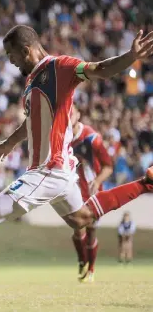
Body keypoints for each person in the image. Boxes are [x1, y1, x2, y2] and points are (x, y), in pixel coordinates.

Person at [0, 25, 153, 301]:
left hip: (50, 168)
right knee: (81, 218)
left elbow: (100, 69)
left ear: (26, 50)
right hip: (60, 169)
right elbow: (33, 122)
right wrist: (9, 143)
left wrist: (131, 57)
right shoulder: (32, 80)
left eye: (12, 55)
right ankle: (145, 183)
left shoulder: (60, 67)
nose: (11, 62)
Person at [70, 104, 113, 282]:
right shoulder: (60, 137)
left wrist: (97, 180)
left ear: (79, 114)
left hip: (93, 190)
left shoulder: (92, 138)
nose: (68, 115)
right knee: (78, 230)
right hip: (73, 191)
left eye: (71, 112)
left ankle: (91, 270)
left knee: (91, 231)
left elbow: (108, 166)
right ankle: (82, 261)